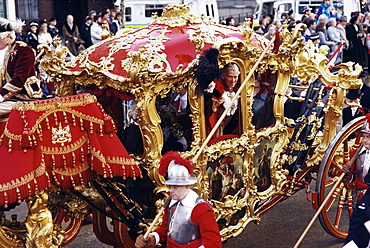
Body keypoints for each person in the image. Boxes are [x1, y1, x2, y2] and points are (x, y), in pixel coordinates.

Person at [134, 151, 222, 248]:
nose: (171, 191)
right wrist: (152, 239)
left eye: (175, 187)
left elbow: (214, 244)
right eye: (170, 186)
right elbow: (165, 230)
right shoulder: (171, 203)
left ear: (186, 186)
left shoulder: (201, 209)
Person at [0, 18, 41, 116]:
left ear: (8, 37)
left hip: (23, 97)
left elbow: (18, 80)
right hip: (8, 98)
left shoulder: (24, 51)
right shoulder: (3, 51)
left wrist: (0, 96)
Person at [342, 113, 370, 248]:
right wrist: (349, 176)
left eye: (368, 137)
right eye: (363, 137)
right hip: (361, 197)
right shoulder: (357, 154)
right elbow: (355, 177)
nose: (365, 141)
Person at [207, 63, 240, 138]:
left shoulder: (237, 87)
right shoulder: (216, 87)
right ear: (223, 76)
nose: (233, 80)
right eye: (230, 77)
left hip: (231, 128)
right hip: (216, 128)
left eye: (235, 77)